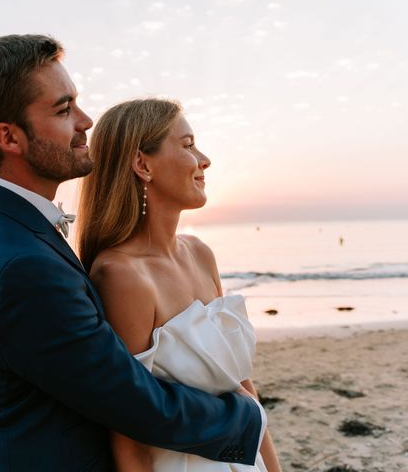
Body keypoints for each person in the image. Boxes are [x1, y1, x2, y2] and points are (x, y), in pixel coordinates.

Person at [0, 34, 265, 472]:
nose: (86, 120)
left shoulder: (7, 231)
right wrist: (246, 416)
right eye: (63, 109)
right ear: (9, 138)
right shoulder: (21, 264)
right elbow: (133, 403)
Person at [77, 98, 282, 471]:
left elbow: (243, 389)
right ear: (142, 164)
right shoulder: (122, 276)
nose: (204, 160)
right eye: (188, 146)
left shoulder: (201, 253)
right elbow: (129, 434)